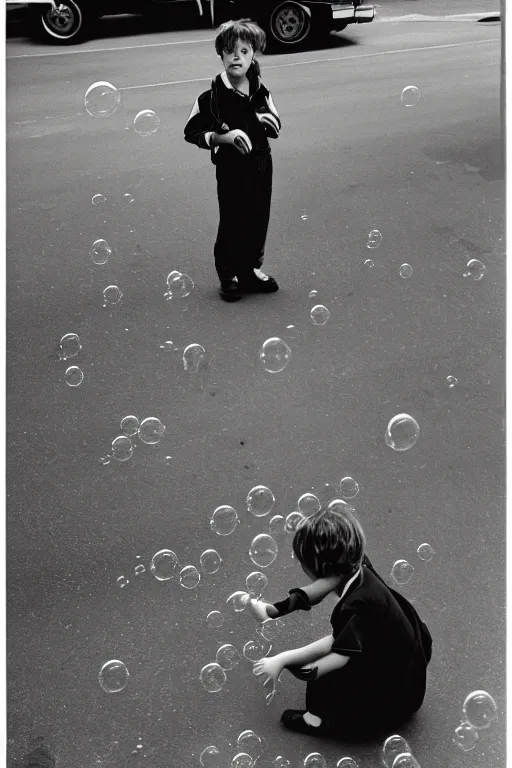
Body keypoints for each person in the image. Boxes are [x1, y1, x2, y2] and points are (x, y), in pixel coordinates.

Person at [250, 507, 433, 739]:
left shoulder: (357, 606)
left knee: (322, 673)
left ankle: (315, 721)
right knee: (326, 661)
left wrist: (285, 662)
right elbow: (316, 590)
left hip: (397, 702)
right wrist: (272, 611)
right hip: (410, 671)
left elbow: (337, 652)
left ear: (323, 569)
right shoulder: (357, 566)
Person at [184, 19, 281, 302]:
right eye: (230, 51)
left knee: (258, 216)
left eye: (244, 51)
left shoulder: (261, 91)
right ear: (221, 55)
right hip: (231, 167)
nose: (236, 56)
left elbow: (274, 124)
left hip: (261, 164)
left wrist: (267, 121)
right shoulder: (211, 98)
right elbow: (191, 132)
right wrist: (223, 138)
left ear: (254, 55)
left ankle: (250, 269)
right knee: (232, 218)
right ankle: (228, 273)